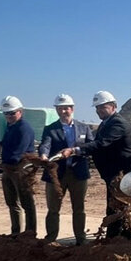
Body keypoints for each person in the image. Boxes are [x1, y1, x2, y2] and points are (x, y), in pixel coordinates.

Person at [61, 90, 131, 240]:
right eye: (97, 108)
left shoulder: (118, 123)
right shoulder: (105, 124)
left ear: (114, 106)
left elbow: (102, 144)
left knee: (118, 207)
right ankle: (117, 239)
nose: (99, 110)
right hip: (112, 175)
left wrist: (76, 150)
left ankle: (121, 241)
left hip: (120, 174)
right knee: (114, 207)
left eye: (103, 107)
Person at [38, 93, 94, 245]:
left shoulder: (84, 128)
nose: (63, 112)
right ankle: (51, 239)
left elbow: (91, 147)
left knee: (79, 208)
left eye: (66, 108)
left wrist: (76, 150)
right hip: (56, 174)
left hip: (78, 173)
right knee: (53, 208)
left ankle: (81, 239)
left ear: (72, 109)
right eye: (60, 109)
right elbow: (45, 144)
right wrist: (43, 155)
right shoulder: (50, 129)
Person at [0, 95, 37, 235]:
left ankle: (30, 233)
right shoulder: (10, 126)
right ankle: (15, 233)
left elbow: (16, 155)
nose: (9, 116)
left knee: (27, 203)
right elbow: (7, 142)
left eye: (12, 113)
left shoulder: (24, 129)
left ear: (20, 111)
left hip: (21, 168)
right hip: (8, 168)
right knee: (12, 203)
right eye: (6, 113)